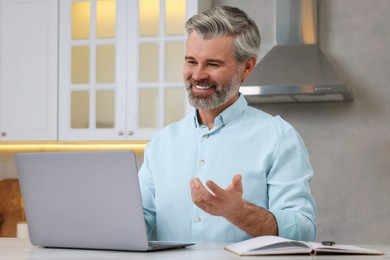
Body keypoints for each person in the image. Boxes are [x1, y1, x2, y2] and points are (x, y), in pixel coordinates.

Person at [138, 6, 316, 243]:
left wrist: (239, 213)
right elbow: (139, 220)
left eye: (213, 64)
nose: (198, 75)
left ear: (247, 67)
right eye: (191, 61)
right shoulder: (162, 142)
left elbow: (304, 231)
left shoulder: (279, 138)